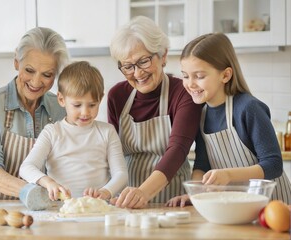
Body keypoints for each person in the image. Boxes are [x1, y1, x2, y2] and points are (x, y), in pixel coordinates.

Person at [166, 32, 291, 207]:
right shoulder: (201, 114)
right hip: (235, 207)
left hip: (273, 206)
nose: (190, 84)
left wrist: (228, 175)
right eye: (186, 76)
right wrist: (196, 194)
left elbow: (274, 164)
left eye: (199, 76)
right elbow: (202, 163)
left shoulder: (248, 108)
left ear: (225, 75)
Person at [107, 16, 203, 209]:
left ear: (163, 55)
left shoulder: (182, 93)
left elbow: (177, 149)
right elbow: (112, 153)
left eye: (143, 61)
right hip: (126, 202)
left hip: (171, 204)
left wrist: (143, 192)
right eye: (128, 66)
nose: (137, 73)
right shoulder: (117, 96)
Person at [0, 27, 70, 205]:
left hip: (42, 211)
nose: (36, 82)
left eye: (47, 75)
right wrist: (31, 191)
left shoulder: (61, 109)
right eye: (29, 70)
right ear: (16, 62)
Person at [19, 61, 128, 201]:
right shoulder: (52, 132)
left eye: (92, 105)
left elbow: (121, 174)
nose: (85, 112)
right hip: (60, 208)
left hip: (98, 207)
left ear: (100, 99)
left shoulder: (107, 131)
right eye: (77, 105)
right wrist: (48, 182)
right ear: (61, 99)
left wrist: (106, 192)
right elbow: (27, 167)